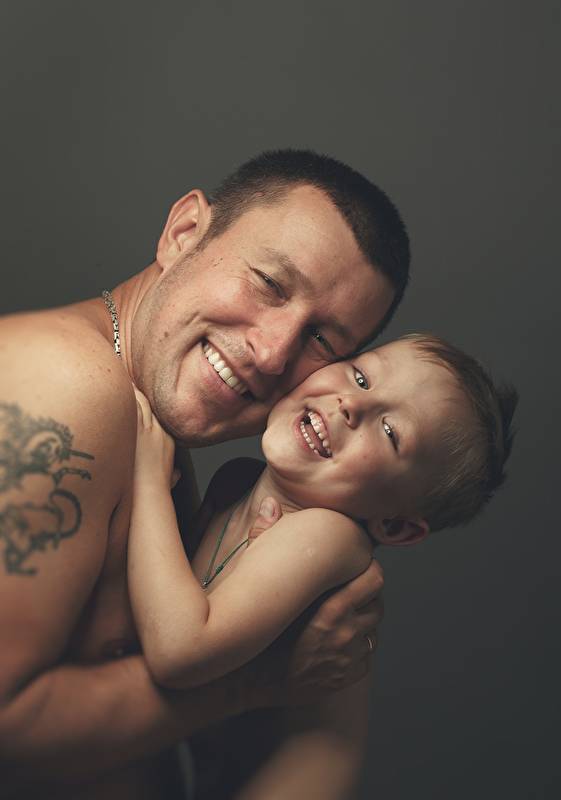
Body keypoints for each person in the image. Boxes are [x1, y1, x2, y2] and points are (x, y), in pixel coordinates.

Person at [0, 150, 410, 799]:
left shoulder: (151, 435)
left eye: (323, 342)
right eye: (269, 284)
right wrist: (259, 678)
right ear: (183, 232)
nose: (272, 352)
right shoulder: (71, 385)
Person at [128, 334, 517, 797]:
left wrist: (149, 478)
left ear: (394, 526)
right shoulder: (235, 481)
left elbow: (178, 651)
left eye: (391, 433)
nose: (351, 403)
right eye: (361, 376)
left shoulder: (330, 536)